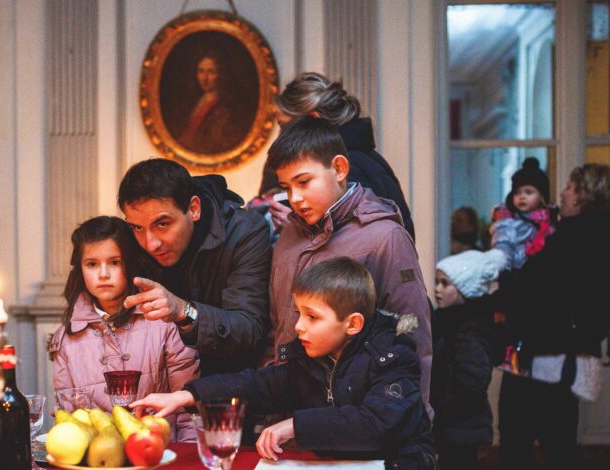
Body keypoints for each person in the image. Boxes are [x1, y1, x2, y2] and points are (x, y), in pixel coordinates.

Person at [132, 257, 443, 470]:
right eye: (299, 313)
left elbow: (375, 424)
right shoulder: (309, 359)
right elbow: (256, 385)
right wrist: (188, 395)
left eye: (312, 317)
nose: (298, 326)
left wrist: (295, 425)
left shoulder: (393, 357)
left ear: (353, 324)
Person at [494, 163, 610, 470]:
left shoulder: (569, 240)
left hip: (542, 357)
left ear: (587, 195)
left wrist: (504, 304)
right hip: (569, 360)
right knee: (560, 449)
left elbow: (534, 295)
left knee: (518, 445)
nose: (563, 194)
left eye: (572, 188)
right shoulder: (603, 243)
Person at [265, 115, 433, 407]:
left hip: (357, 413)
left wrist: (416, 417)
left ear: (340, 169)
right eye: (286, 187)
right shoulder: (289, 235)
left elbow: (412, 329)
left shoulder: (385, 237)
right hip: (288, 410)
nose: (295, 198)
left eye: (304, 182)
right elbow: (276, 325)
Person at [48, 216, 198, 441]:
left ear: (130, 264)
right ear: (80, 269)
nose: (103, 274)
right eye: (92, 264)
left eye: (115, 262)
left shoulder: (162, 322)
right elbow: (71, 423)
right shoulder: (67, 339)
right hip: (99, 463)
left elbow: (189, 411)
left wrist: (186, 460)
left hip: (162, 455)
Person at [117, 158, 271, 378]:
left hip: (233, 388)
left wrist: (182, 311)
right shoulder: (131, 240)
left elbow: (249, 331)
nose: (151, 244)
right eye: (137, 227)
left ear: (194, 209)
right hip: (160, 389)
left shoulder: (245, 231)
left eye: (162, 224)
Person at [259, 73, 415, 241]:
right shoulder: (365, 157)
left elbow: (354, 243)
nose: (280, 136)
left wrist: (296, 226)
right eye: (288, 188)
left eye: (283, 126)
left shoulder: (348, 167)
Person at [432, 249, 514, 470]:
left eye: (445, 284)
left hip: (461, 423)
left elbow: (471, 382)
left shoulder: (469, 332)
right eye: (437, 282)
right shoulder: (451, 322)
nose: (438, 289)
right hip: (456, 422)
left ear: (465, 291)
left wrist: (438, 414)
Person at [489, 157, 555, 272]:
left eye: (529, 192)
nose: (522, 197)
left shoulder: (549, 223)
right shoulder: (509, 224)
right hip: (516, 274)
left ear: (542, 197)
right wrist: (504, 271)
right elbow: (502, 251)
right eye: (517, 193)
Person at [176, 53, 240, 155]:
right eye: (201, 71)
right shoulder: (193, 102)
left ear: (220, 74)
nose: (205, 78)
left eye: (211, 72)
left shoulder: (224, 109)